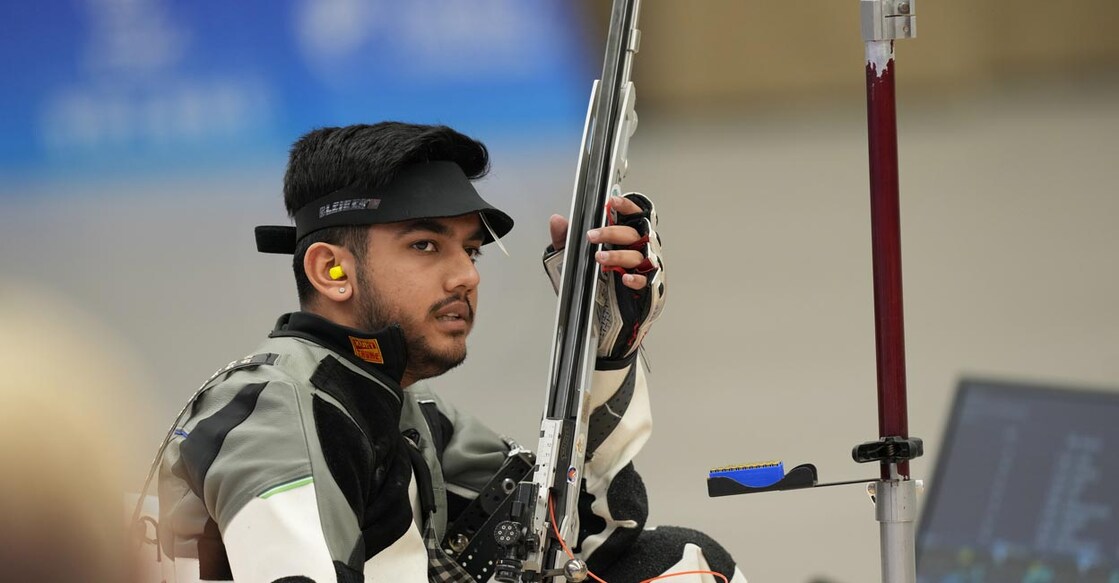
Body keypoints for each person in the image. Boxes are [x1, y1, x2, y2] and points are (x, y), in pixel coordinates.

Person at [154, 122, 745, 582]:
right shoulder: (282, 414)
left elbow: (579, 544)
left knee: (680, 563)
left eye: (471, 251)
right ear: (331, 269)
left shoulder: (400, 408)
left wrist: (609, 342)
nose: (466, 275)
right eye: (426, 244)